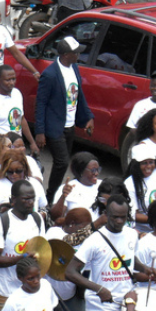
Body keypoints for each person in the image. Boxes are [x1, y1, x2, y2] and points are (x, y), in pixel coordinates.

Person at [34, 38, 94, 204]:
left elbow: (79, 95)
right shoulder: (50, 75)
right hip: (55, 127)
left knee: (65, 162)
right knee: (62, 162)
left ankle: (65, 194)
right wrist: (40, 132)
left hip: (70, 125)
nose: (79, 55)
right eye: (76, 52)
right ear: (67, 55)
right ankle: (51, 196)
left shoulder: (74, 68)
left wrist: (88, 116)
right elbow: (41, 103)